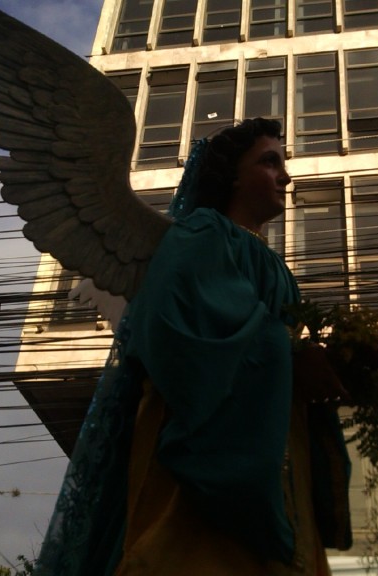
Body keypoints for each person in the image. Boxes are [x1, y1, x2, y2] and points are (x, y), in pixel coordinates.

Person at [34, 118, 352, 576]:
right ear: (232, 176)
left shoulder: (277, 267)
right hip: (208, 436)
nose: (285, 176)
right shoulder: (202, 233)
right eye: (269, 161)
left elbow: (280, 344)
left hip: (273, 435)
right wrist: (286, 357)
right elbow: (186, 324)